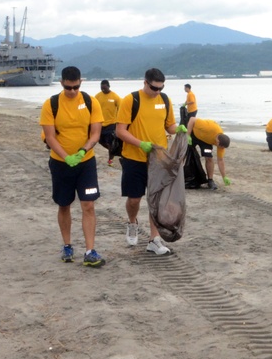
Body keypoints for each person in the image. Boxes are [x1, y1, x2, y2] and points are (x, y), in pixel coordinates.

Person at [39, 67, 105, 267]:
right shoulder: (51, 104)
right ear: (61, 83)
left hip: (86, 163)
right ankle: (67, 245)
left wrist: (83, 151)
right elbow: (50, 137)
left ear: (81, 83)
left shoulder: (90, 102)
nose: (73, 91)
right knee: (64, 204)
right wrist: (66, 157)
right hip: (61, 164)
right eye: (69, 87)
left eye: (76, 87)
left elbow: (95, 134)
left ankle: (90, 250)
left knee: (89, 205)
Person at [115, 68, 186, 255]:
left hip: (159, 159)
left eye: (160, 88)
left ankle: (154, 240)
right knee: (134, 198)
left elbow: (169, 126)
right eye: (154, 88)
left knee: (157, 199)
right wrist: (141, 144)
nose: (157, 92)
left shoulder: (164, 100)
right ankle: (132, 223)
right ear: (145, 83)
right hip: (134, 157)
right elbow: (120, 130)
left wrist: (179, 129)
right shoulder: (131, 100)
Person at [188, 116, 232, 190]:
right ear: (217, 140)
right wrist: (188, 135)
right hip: (194, 134)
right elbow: (192, 119)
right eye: (219, 146)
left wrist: (224, 176)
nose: (220, 148)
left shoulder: (221, 143)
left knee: (209, 158)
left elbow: (220, 160)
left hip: (206, 142)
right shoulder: (208, 127)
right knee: (185, 153)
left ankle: (210, 180)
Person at [94, 79, 121, 166]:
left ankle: (110, 160)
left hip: (111, 123)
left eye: (104, 88)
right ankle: (114, 150)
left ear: (108, 86)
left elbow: (121, 109)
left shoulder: (115, 97)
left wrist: (119, 122)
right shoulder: (97, 96)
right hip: (100, 123)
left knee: (110, 142)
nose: (103, 90)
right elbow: (93, 108)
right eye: (101, 88)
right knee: (99, 141)